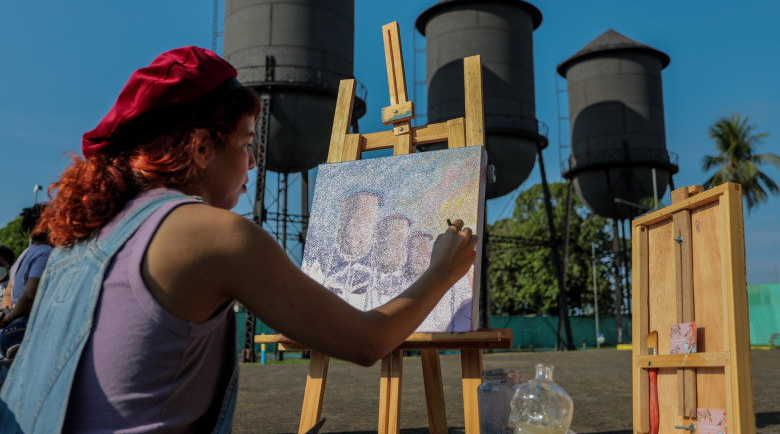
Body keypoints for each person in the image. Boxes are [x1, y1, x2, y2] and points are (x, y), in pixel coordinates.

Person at [0, 46, 478, 433]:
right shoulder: (214, 235)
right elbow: (367, 341)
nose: (252, 164)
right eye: (246, 144)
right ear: (201, 147)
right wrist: (441, 272)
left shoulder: (82, 233)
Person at [0, 204, 53, 358]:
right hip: (25, 330)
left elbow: (8, 293)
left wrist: (7, 316)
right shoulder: (45, 253)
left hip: (10, 333)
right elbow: (30, 295)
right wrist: (12, 316)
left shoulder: (25, 253)